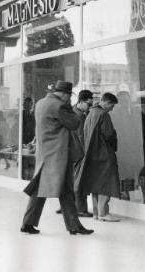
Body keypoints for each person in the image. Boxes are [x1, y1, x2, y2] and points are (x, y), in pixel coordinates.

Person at [20, 80, 94, 235]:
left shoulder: (40, 103)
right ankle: (73, 225)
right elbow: (74, 123)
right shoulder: (60, 106)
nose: (69, 99)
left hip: (45, 153)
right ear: (65, 94)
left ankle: (29, 223)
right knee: (65, 189)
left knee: (42, 190)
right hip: (58, 155)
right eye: (69, 96)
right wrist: (74, 110)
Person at [76, 92, 121, 222]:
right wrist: (114, 142)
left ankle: (96, 212)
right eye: (112, 106)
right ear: (106, 103)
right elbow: (109, 134)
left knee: (95, 183)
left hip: (92, 154)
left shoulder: (90, 113)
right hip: (104, 154)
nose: (112, 109)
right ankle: (103, 212)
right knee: (106, 183)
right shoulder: (103, 115)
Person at [71, 89, 93, 216]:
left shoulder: (73, 111)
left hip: (73, 153)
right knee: (80, 181)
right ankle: (80, 209)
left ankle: (68, 206)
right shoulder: (79, 116)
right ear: (81, 101)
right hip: (79, 153)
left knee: (72, 180)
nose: (89, 108)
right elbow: (81, 137)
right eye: (88, 104)